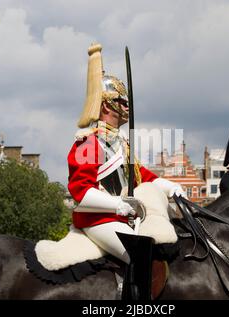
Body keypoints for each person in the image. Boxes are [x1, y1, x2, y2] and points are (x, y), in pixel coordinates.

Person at [67, 43, 185, 300]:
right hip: (97, 219)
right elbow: (80, 192)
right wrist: (115, 204)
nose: (127, 106)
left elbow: (144, 176)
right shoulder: (88, 143)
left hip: (122, 216)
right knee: (141, 254)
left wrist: (170, 187)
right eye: (122, 101)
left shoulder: (121, 144)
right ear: (107, 106)